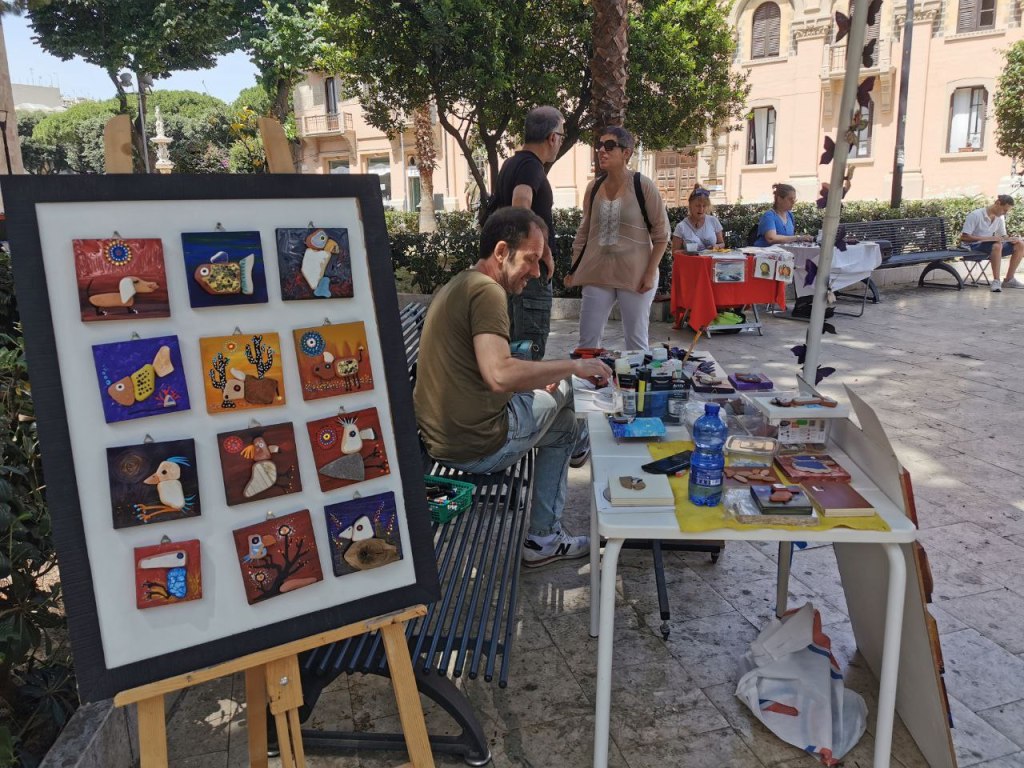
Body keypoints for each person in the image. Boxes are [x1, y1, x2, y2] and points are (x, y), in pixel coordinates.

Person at [414, 207, 613, 568]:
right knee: (571, 384)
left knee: (564, 424)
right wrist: (572, 366)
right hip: (477, 445)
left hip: (445, 437)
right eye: (531, 259)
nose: (536, 272)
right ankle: (584, 451)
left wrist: (538, 375)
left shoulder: (460, 283)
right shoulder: (487, 292)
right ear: (502, 251)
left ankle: (544, 538)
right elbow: (499, 375)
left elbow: (489, 369)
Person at [566, 126, 670, 352]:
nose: (602, 151)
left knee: (636, 344)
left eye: (610, 146)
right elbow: (584, 232)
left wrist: (650, 273)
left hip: (635, 274)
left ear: (626, 153)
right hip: (597, 273)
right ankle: (590, 376)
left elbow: (662, 235)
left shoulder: (643, 185)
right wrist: (574, 268)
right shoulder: (593, 188)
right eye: (600, 146)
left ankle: (635, 377)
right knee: (586, 344)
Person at [489, 106, 564, 360]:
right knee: (528, 352)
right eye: (561, 135)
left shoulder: (511, 164)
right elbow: (521, 203)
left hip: (512, 269)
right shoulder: (532, 166)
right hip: (529, 274)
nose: (560, 142)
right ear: (552, 137)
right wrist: (543, 252)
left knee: (513, 348)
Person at [961, 194, 1024, 293]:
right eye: (1004, 210)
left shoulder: (1000, 218)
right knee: (997, 245)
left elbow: (1003, 236)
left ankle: (1009, 280)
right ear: (998, 203)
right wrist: (989, 238)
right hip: (972, 247)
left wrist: (1011, 239)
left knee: (1020, 244)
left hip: (989, 246)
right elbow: (964, 237)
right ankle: (996, 281)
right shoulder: (975, 215)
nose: (1005, 213)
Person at [671, 184, 724, 251]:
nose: (701, 209)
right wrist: (688, 252)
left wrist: (717, 246)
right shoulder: (681, 227)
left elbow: (722, 243)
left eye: (704, 206)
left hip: (711, 258)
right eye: (697, 206)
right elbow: (675, 252)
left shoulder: (713, 221)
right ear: (690, 205)